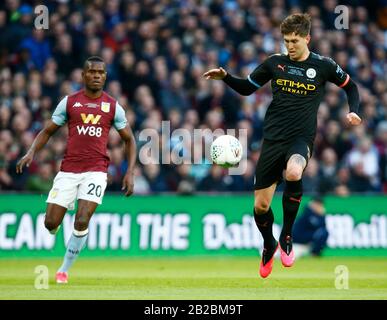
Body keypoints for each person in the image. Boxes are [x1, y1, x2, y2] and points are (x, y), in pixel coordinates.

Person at [203, 13, 362, 278]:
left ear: (307, 38)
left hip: (301, 139)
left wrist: (354, 110)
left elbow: (351, 86)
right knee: (261, 208)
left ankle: (287, 234)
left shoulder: (323, 66)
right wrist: (226, 77)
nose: (289, 45)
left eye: (295, 40)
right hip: (273, 140)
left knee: (294, 172)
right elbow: (246, 88)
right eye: (286, 40)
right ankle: (269, 244)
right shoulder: (274, 64)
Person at [16, 56, 137, 284]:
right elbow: (47, 131)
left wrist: (130, 172)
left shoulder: (112, 106)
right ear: (83, 75)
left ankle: (64, 269)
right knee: (51, 223)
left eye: (100, 73)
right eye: (92, 72)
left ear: (105, 76)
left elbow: (129, 140)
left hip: (96, 170)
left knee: (82, 220)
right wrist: (31, 152)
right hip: (68, 170)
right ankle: (58, 229)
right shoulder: (70, 102)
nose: (96, 76)